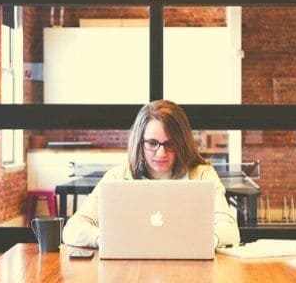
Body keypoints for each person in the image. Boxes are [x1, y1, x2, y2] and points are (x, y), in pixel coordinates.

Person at [62, 100, 241, 249]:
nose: (161, 153)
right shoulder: (117, 177)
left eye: (170, 144)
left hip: (188, 272)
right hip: (129, 272)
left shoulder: (202, 175)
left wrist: (203, 242)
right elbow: (72, 229)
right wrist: (107, 239)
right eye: (152, 143)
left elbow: (230, 231)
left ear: (182, 143)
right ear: (139, 143)